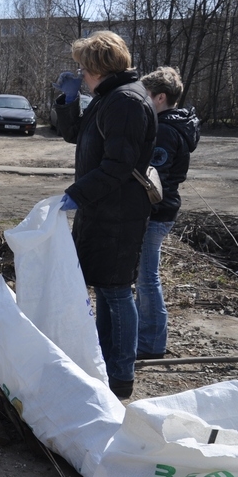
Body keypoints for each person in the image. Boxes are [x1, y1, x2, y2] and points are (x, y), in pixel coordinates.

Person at [52, 31, 157, 399]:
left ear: (99, 67)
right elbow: (76, 135)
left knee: (115, 292)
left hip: (117, 215)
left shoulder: (125, 102)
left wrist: (75, 195)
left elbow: (117, 165)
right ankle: (104, 361)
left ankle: (120, 375)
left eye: (83, 67)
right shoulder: (108, 98)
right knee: (107, 288)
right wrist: (67, 102)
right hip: (103, 210)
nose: (79, 73)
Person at [136, 67, 200, 360]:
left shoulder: (163, 129)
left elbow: (153, 177)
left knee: (147, 278)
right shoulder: (176, 125)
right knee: (146, 275)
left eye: (146, 96)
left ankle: (151, 344)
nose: (143, 101)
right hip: (164, 211)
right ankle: (146, 337)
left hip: (156, 212)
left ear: (160, 97)